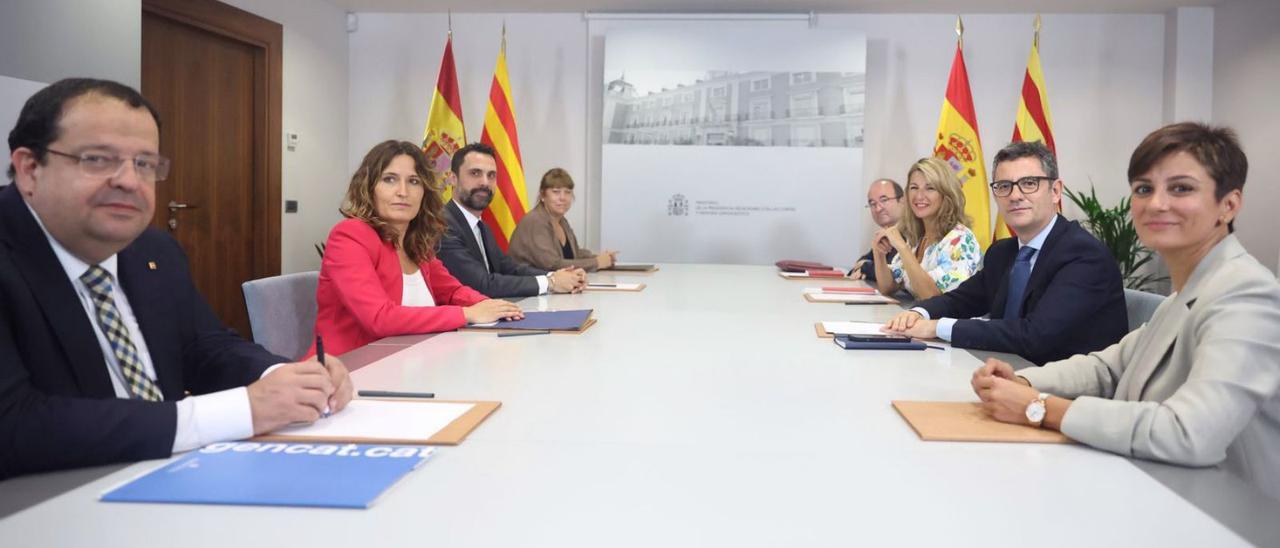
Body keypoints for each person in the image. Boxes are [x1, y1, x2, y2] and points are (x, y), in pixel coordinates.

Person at [0, 78, 352, 480]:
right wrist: (241, 411)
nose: (129, 181)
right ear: (29, 169)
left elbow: (205, 346)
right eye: (98, 159)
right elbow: (14, 424)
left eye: (145, 163)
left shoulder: (153, 250)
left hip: (166, 481)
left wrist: (281, 376)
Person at [971, 123, 1280, 500]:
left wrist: (1039, 407)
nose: (1156, 203)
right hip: (1153, 488)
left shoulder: (1248, 294)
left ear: (1228, 205)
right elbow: (1106, 367)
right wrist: (1023, 383)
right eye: (1144, 189)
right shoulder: (1187, 293)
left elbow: (1189, 434)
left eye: (1181, 188)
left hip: (1224, 515)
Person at [882, 142, 1127, 365]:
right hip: (1005, 373)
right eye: (1004, 186)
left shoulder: (1084, 255)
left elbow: (1035, 335)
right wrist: (918, 313)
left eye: (1029, 183)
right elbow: (961, 300)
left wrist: (938, 327)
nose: (1015, 195)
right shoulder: (1003, 252)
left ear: (1055, 191)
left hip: (1066, 396)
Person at [309, 141, 524, 358]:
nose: (403, 192)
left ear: (424, 192)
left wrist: (492, 306)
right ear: (369, 186)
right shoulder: (349, 236)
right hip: (350, 369)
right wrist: (468, 314)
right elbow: (379, 318)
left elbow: (452, 291)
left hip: (412, 362)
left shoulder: (415, 241)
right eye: (389, 179)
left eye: (413, 181)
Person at [438, 143, 585, 298]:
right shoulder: (443, 224)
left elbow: (511, 269)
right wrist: (551, 282)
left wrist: (558, 275)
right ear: (453, 179)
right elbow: (481, 284)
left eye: (491, 175)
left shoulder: (482, 227)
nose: (485, 182)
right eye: (475, 173)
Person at [872, 157, 980, 299]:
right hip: (921, 319)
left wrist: (902, 248)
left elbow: (931, 297)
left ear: (946, 194)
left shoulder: (961, 239)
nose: (919, 196)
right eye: (914, 188)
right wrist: (878, 253)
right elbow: (888, 287)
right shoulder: (917, 238)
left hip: (950, 320)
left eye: (930, 188)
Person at [508, 168, 618, 272]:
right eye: (556, 192)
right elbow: (553, 265)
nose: (563, 198)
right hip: (529, 288)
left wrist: (603, 258)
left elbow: (575, 254)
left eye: (567, 192)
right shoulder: (535, 221)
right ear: (543, 195)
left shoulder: (561, 220)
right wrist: (597, 262)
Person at [849, 178, 904, 281]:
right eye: (872, 203)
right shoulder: (885, 235)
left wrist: (866, 267)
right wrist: (864, 266)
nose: (878, 209)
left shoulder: (913, 232)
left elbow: (896, 275)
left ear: (902, 201)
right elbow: (862, 262)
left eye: (884, 200)